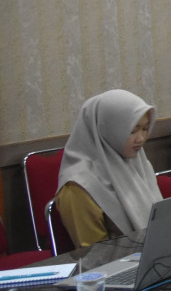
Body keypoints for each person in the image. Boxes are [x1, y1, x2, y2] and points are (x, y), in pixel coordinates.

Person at [53, 90, 162, 247]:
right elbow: (95, 256)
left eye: (145, 129)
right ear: (107, 129)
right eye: (132, 130)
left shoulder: (139, 164)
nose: (141, 139)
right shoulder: (77, 188)